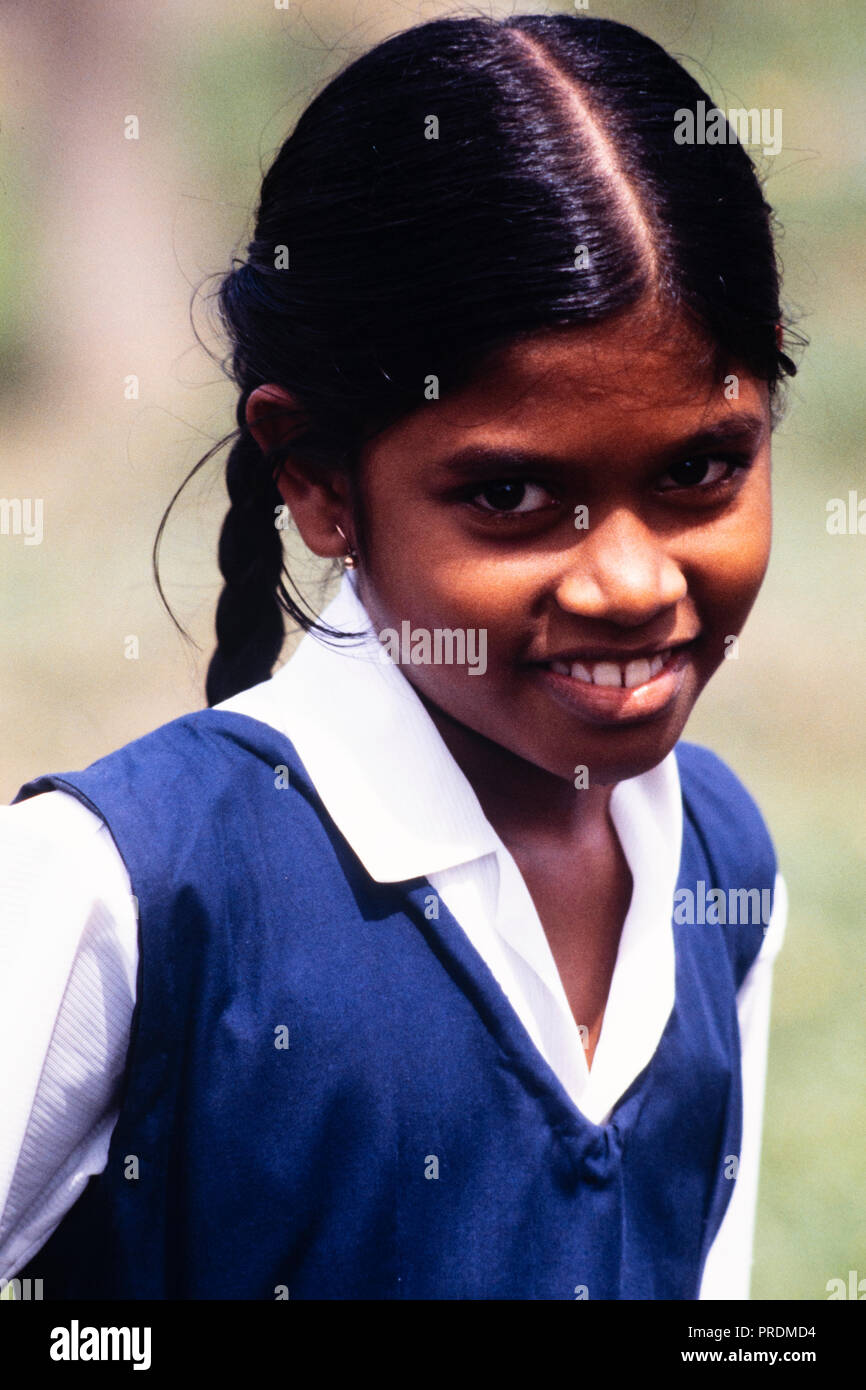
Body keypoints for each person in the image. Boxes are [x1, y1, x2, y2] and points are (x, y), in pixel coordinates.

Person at [0, 12, 799, 1299]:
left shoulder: (717, 858)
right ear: (317, 480)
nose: (632, 581)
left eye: (701, 471)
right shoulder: (127, 889)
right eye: (510, 498)